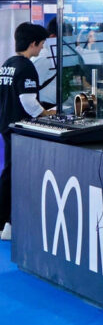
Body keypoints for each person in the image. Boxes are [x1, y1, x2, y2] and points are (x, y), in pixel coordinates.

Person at [0, 22, 55, 241]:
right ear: (33, 43)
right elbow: (29, 103)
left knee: (8, 173)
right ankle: (9, 222)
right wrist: (50, 114)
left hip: (6, 125)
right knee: (16, 175)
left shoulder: (8, 64)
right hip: (20, 130)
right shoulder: (26, 67)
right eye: (41, 45)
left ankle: (4, 221)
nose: (42, 49)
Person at [31, 19, 58, 109]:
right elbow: (32, 85)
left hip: (51, 104)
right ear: (53, 36)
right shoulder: (44, 56)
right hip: (45, 105)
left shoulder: (52, 54)